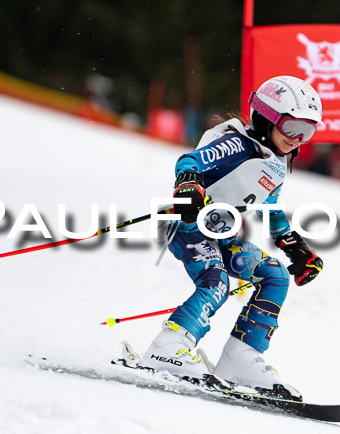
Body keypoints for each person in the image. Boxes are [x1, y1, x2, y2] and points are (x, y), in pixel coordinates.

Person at [139, 75, 324, 400]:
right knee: (216, 281)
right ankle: (169, 345)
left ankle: (241, 356)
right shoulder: (236, 145)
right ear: (267, 118)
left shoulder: (276, 161)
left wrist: (291, 244)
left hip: (224, 234)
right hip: (189, 226)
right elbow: (189, 161)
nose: (298, 139)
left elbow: (271, 206)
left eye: (307, 131)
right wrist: (189, 185)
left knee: (275, 275)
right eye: (293, 127)